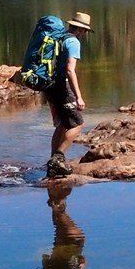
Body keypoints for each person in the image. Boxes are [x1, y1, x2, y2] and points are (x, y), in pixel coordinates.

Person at [45, 12, 93, 179]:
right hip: (61, 86)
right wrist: (79, 96)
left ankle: (53, 163)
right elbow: (70, 70)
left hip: (49, 85)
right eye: (85, 31)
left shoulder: (60, 38)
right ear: (81, 30)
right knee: (77, 123)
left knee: (63, 123)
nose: (85, 34)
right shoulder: (73, 42)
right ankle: (57, 157)